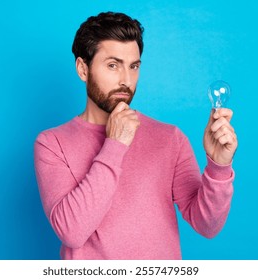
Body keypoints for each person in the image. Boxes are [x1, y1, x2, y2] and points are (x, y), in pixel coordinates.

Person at [34, 11, 237, 260]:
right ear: (82, 69)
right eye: (112, 65)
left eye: (134, 66)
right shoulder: (52, 143)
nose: (126, 80)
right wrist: (115, 144)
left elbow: (207, 225)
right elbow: (72, 232)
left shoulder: (169, 138)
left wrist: (219, 167)